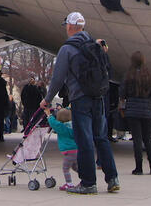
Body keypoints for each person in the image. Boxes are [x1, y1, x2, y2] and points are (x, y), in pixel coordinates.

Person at [41, 12, 120, 195]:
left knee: (84, 140)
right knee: (101, 138)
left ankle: (88, 183)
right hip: (98, 97)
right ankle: (113, 178)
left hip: (80, 98)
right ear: (82, 27)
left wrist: (47, 99)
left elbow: (58, 78)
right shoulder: (96, 45)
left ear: (69, 27)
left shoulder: (67, 49)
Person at [119, 51, 151, 175]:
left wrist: (123, 107)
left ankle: (139, 167)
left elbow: (122, 94)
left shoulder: (128, 76)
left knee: (137, 139)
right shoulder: (150, 76)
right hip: (147, 110)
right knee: (148, 139)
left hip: (132, 110)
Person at [47, 107, 79, 191]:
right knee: (75, 167)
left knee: (65, 168)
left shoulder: (62, 127)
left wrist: (49, 115)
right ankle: (85, 178)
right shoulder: (73, 125)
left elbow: (53, 123)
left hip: (69, 151)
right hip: (76, 150)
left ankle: (69, 183)